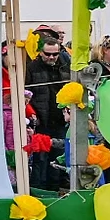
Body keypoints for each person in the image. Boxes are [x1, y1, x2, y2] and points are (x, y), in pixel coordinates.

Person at [26, 37, 69, 190]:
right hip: (41, 120)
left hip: (60, 119)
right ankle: (38, 188)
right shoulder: (31, 68)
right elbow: (27, 94)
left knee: (58, 157)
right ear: (40, 52)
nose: (51, 57)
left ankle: (54, 188)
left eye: (55, 54)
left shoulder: (65, 66)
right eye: (48, 54)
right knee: (40, 158)